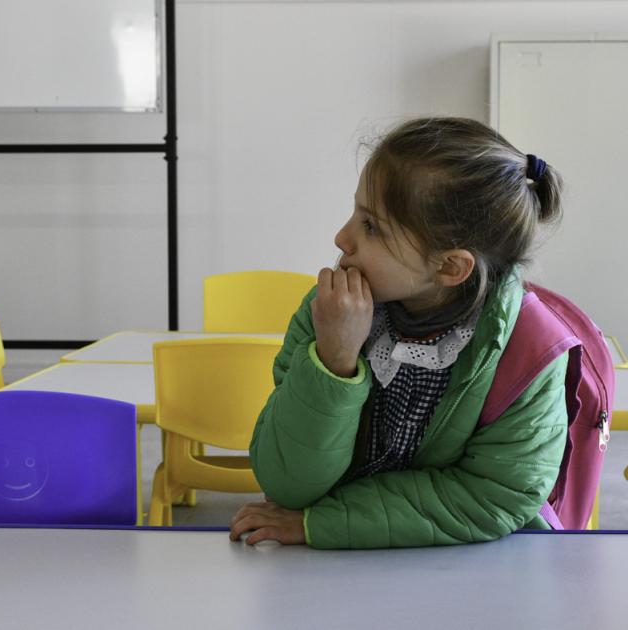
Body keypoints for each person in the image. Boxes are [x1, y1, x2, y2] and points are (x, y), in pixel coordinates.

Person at [229, 116, 568, 549]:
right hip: (332, 567)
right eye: (354, 212)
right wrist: (334, 362)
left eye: (371, 227)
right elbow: (287, 483)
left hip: (471, 567)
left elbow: (491, 498)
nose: (341, 237)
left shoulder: (532, 348)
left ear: (449, 267)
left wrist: (324, 523)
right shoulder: (329, 312)